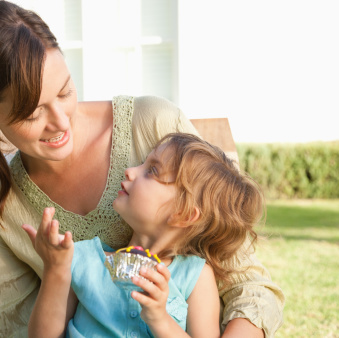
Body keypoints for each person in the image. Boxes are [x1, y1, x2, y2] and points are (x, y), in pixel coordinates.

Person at [0, 1, 284, 337]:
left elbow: (248, 285)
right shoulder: (2, 214)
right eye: (33, 114)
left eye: (65, 92)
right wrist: (58, 273)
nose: (62, 122)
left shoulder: (154, 127)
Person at [23, 133, 265, 337]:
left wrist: (160, 320)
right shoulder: (83, 259)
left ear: (183, 213)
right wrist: (55, 271)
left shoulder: (195, 276)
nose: (130, 171)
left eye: (151, 170)